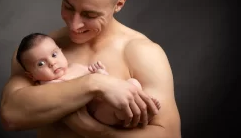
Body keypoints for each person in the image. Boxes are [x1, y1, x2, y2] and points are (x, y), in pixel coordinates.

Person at [0, 0, 182, 138]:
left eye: (89, 15)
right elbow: (11, 115)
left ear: (119, 4)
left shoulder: (143, 53)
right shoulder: (39, 52)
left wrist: (95, 131)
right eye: (68, 7)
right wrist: (96, 83)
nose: (74, 25)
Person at [15, 32, 161, 126]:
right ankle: (139, 115)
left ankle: (142, 110)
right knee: (115, 109)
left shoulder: (76, 67)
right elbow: (62, 99)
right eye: (41, 64)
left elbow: (103, 82)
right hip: (98, 113)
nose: (52, 63)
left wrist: (99, 71)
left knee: (133, 83)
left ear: (61, 51)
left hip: (109, 99)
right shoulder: (48, 85)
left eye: (54, 55)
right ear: (31, 75)